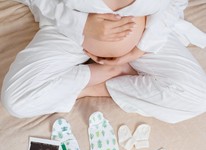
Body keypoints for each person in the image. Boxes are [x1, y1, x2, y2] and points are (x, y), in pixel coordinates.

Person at [1, 0, 206, 123]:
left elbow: (174, 2)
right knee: (17, 101)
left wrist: (141, 48)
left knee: (198, 98)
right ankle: (98, 78)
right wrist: (81, 25)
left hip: (146, 40)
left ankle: (98, 86)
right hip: (70, 33)